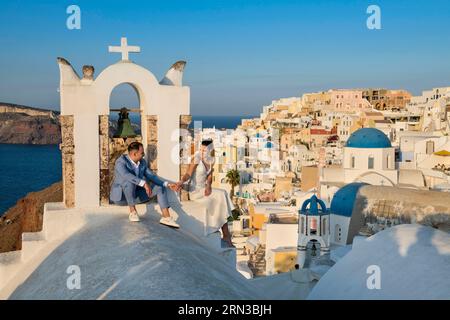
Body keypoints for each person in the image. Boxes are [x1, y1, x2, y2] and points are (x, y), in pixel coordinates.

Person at [174, 139, 235, 247]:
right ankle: (226, 235)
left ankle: (226, 234)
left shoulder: (211, 160)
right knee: (221, 195)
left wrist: (209, 186)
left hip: (204, 189)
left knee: (223, 193)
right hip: (196, 191)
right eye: (201, 149)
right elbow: (188, 173)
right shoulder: (196, 159)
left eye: (204, 150)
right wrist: (181, 181)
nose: (202, 152)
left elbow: (210, 176)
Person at [110, 141, 180, 227]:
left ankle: (166, 217)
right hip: (121, 198)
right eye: (142, 153)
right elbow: (126, 175)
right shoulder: (120, 162)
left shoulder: (142, 162)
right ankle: (133, 212)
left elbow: (151, 176)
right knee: (129, 181)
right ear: (135, 154)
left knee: (159, 187)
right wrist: (144, 184)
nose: (143, 155)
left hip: (136, 196)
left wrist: (167, 184)